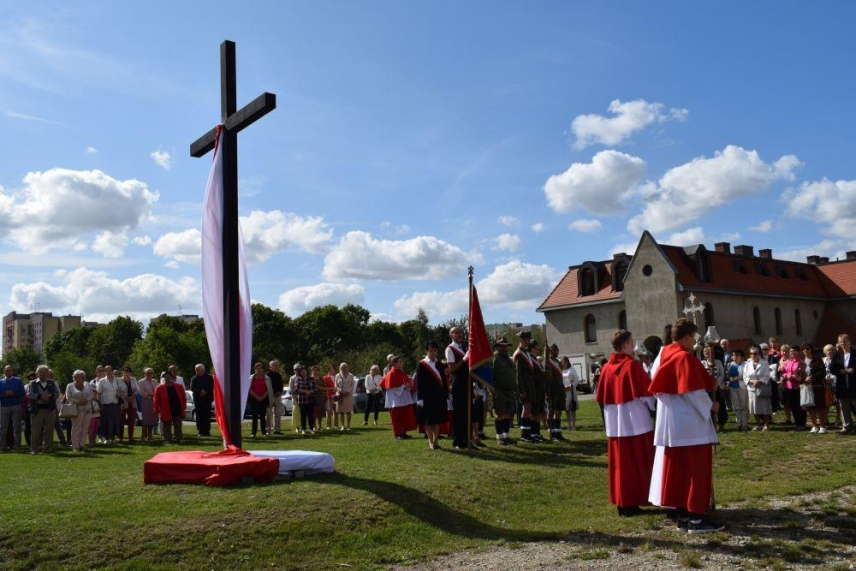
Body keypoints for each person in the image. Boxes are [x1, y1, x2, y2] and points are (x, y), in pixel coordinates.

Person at [648, 318, 723, 533]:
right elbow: (692, 390)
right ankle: (697, 520)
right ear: (687, 337)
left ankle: (682, 517)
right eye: (693, 338)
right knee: (697, 472)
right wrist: (711, 406)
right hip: (690, 426)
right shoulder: (683, 358)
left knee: (678, 473)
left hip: (671, 425)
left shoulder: (663, 356)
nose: (694, 343)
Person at [596, 330, 656, 517]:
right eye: (631, 342)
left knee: (620, 466)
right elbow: (648, 394)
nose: (633, 345)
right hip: (636, 422)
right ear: (626, 345)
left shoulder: (606, 368)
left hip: (614, 425)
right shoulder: (631, 366)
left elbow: (601, 398)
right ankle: (633, 500)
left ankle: (623, 503)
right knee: (637, 464)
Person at [416, 340, 449, 450]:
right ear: (426, 351)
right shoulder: (422, 365)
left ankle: (436, 441)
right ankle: (430, 440)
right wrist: (420, 398)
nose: (433, 353)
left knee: (437, 419)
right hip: (427, 396)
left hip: (439, 396)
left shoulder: (439, 364)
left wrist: (446, 395)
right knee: (428, 420)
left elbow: (444, 381)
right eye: (431, 351)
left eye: (435, 351)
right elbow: (419, 383)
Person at [379, 356, 417, 440]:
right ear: (394, 363)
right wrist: (404, 387)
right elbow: (391, 387)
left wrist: (407, 385)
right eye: (400, 362)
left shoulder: (401, 372)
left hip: (402, 398)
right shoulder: (391, 374)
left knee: (403, 416)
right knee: (397, 417)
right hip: (395, 400)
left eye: (401, 361)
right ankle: (397, 434)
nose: (402, 363)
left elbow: (404, 382)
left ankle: (403, 432)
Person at [446, 327, 469, 450]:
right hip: (458, 383)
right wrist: (464, 359)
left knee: (467, 412)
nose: (459, 334)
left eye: (460, 332)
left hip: (467, 382)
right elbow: (452, 369)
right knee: (459, 413)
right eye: (456, 333)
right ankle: (458, 441)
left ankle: (466, 439)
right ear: (451, 335)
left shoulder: (465, 348)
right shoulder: (450, 349)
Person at [27, 365, 60, 455]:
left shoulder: (53, 383)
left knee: (49, 430)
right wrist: (40, 396)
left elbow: (57, 394)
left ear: (47, 373)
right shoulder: (32, 383)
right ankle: (34, 449)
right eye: (40, 372)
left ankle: (48, 448)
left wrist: (50, 396)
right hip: (37, 410)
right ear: (37, 373)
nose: (42, 374)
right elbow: (29, 395)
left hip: (50, 410)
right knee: (35, 431)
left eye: (44, 372)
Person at [491, 337, 517, 446]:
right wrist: (492, 390)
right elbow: (490, 376)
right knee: (500, 414)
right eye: (502, 345)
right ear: (498, 347)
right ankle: (499, 437)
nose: (505, 347)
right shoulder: (494, 358)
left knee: (507, 414)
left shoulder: (508, 359)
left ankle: (506, 436)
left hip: (509, 391)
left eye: (506, 345)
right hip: (499, 390)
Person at [800, 343, 828, 434]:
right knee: (810, 407)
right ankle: (814, 426)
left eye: (807, 348)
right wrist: (804, 379)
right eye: (803, 349)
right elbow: (799, 376)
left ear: (811, 349)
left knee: (820, 407)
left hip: (817, 386)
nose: (805, 350)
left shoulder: (817, 360)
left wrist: (812, 377)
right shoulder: (801, 362)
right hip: (807, 387)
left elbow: (822, 372)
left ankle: (822, 427)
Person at [513, 331, 535, 442]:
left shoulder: (526, 353)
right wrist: (521, 389)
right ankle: (524, 433)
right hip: (524, 385)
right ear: (522, 339)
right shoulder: (519, 354)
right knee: (526, 408)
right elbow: (518, 374)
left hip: (529, 384)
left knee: (529, 408)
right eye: (527, 338)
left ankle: (528, 432)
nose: (529, 341)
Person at [744, 346, 772, 431]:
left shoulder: (764, 363)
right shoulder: (747, 364)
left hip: (762, 387)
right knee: (754, 407)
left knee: (764, 407)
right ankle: (758, 424)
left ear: (759, 354)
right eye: (751, 353)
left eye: (755, 353)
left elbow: (767, 375)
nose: (753, 355)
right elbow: (745, 376)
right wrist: (752, 381)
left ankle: (766, 424)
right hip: (751, 388)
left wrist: (759, 382)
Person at [154, 371, 186, 443]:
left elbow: (183, 397)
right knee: (166, 425)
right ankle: (167, 439)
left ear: (171, 377)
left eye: (168, 377)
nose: (167, 378)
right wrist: (156, 409)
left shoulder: (179, 386)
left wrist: (184, 406)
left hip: (177, 408)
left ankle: (179, 438)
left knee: (178, 424)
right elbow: (156, 400)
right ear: (163, 378)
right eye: (165, 377)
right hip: (165, 409)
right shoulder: (159, 388)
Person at [65, 370, 93, 452]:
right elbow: (68, 398)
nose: (83, 378)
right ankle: (75, 446)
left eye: (83, 376)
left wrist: (86, 400)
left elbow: (91, 395)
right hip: (77, 409)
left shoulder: (87, 384)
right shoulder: (70, 386)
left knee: (85, 427)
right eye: (81, 376)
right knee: (76, 428)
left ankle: (82, 444)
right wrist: (79, 401)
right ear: (75, 378)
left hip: (87, 409)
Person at [833, 333, 856, 434]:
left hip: (854, 384)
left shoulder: (855, 353)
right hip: (842, 385)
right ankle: (847, 426)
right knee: (844, 406)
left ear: (849, 342)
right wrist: (840, 371)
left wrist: (854, 369)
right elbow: (832, 367)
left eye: (844, 342)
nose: (842, 344)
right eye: (840, 342)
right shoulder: (837, 354)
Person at [701, 346, 727, 431]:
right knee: (708, 406)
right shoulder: (702, 363)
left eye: (709, 353)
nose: (707, 355)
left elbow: (721, 374)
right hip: (706, 389)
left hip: (717, 388)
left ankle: (721, 424)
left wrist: (716, 383)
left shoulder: (718, 362)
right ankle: (710, 424)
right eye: (706, 353)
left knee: (720, 405)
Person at [781, 346, 807, 430]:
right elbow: (783, 372)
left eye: (795, 351)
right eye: (791, 351)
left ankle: (802, 423)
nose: (792, 353)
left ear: (799, 352)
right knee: (792, 406)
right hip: (789, 386)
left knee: (800, 406)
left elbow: (802, 374)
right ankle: (797, 423)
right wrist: (786, 376)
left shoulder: (801, 362)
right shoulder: (788, 362)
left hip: (798, 386)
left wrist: (793, 377)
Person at [0, 365, 25, 451]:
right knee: (3, 427)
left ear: (12, 371)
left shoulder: (18, 381)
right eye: (6, 370)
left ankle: (17, 446)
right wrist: (5, 395)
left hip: (16, 405)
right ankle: (2, 446)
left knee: (17, 427)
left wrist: (12, 394)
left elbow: (22, 393)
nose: (8, 372)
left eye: (10, 370)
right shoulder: (1, 382)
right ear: (4, 371)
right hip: (4, 406)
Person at [97, 365, 124, 445]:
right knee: (106, 422)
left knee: (114, 421)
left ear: (112, 371)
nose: (108, 372)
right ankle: (106, 438)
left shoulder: (117, 380)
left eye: (110, 370)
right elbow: (98, 393)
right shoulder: (102, 381)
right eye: (107, 370)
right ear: (105, 372)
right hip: (105, 404)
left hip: (115, 404)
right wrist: (99, 404)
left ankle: (112, 437)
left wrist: (119, 395)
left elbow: (122, 390)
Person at [546, 344, 567, 441]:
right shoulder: (548, 362)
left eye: (557, 349)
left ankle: (557, 431)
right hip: (553, 388)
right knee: (552, 410)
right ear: (550, 351)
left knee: (559, 410)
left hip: (560, 388)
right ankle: (552, 431)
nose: (556, 351)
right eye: (554, 350)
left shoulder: (558, 362)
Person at [528, 340, 548, 442]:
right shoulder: (530, 359)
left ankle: (537, 433)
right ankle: (533, 433)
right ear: (532, 347)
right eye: (536, 346)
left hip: (540, 389)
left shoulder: (535, 359)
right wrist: (541, 374)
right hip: (534, 389)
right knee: (534, 413)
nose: (538, 348)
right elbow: (530, 375)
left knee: (539, 413)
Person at [726, 350, 750, 431]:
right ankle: (739, 423)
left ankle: (745, 423)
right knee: (736, 406)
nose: (734, 357)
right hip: (732, 387)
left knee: (743, 406)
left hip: (742, 386)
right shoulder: (730, 364)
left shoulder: (746, 365)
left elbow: (748, 375)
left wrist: (740, 378)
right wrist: (728, 381)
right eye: (733, 355)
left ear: (742, 357)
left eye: (737, 355)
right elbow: (727, 375)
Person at [190, 364, 214, 437]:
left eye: (198, 370)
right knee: (199, 415)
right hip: (198, 399)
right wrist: (200, 391)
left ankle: (207, 431)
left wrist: (205, 391)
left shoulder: (209, 377)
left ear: (203, 370)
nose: (197, 372)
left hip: (207, 399)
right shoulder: (194, 378)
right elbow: (192, 387)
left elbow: (212, 386)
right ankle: (200, 431)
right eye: (196, 370)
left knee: (206, 415)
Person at [248, 363, 272, 438]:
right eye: (257, 368)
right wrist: (257, 396)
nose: (258, 370)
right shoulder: (251, 378)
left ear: (262, 369)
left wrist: (262, 397)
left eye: (260, 368)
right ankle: (253, 433)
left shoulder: (267, 378)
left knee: (262, 416)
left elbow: (268, 389)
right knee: (254, 417)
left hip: (263, 399)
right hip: (254, 399)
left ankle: (264, 432)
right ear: (254, 369)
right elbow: (249, 389)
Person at [118, 366, 139, 442]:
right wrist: (126, 397)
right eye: (125, 371)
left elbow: (137, 390)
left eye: (128, 371)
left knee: (131, 420)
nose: (127, 372)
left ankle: (131, 437)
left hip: (132, 401)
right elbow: (118, 391)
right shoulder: (119, 380)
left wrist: (133, 396)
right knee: (121, 420)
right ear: (122, 372)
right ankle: (120, 437)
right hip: (123, 402)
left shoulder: (133, 379)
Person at [294, 364, 316, 435]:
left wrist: (310, 392)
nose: (303, 372)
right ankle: (303, 429)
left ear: (307, 371)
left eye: (305, 371)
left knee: (310, 415)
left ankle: (311, 429)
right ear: (300, 372)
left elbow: (315, 388)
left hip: (310, 400)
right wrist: (305, 391)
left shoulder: (311, 379)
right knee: (303, 415)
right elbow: (296, 389)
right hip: (302, 400)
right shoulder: (298, 379)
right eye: (302, 371)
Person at [138, 368, 158, 442]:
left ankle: (150, 436)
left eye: (150, 373)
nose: (149, 374)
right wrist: (151, 394)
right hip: (146, 401)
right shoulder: (141, 381)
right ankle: (143, 436)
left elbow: (157, 390)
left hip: (153, 402)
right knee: (145, 419)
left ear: (152, 374)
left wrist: (153, 395)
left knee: (151, 419)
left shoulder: (155, 381)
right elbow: (141, 392)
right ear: (145, 374)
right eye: (147, 373)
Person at [561, 356, 580, 431]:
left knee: (572, 409)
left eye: (565, 361)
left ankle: (573, 425)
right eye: (563, 361)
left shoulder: (572, 369)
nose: (564, 362)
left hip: (571, 391)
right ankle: (569, 425)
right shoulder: (561, 370)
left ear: (568, 362)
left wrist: (571, 386)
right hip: (564, 392)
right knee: (566, 409)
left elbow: (576, 379)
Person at [334, 363, 355, 430]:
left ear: (347, 368)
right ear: (340, 368)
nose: (344, 368)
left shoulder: (351, 375)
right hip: (341, 396)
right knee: (341, 411)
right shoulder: (337, 375)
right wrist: (341, 391)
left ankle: (348, 425)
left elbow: (352, 385)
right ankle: (343, 426)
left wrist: (348, 391)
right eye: (342, 367)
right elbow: (335, 386)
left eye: (345, 367)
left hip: (348, 395)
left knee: (349, 411)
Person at [266, 360, 284, 435]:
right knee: (268, 413)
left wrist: (279, 392)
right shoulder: (267, 375)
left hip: (278, 396)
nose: (277, 367)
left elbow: (281, 385)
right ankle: (268, 430)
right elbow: (268, 386)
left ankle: (277, 429)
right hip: (269, 396)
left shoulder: (278, 375)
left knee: (278, 413)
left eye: (277, 365)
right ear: (270, 367)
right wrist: (274, 392)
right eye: (275, 365)